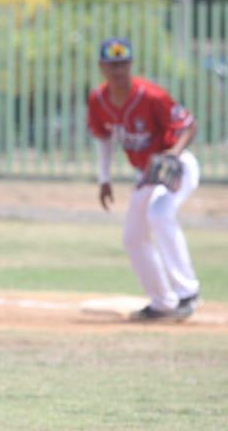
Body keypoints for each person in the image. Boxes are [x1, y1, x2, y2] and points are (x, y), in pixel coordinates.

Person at [86, 37, 202, 321]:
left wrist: (173, 153)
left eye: (123, 63)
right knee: (133, 237)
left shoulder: (152, 96)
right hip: (148, 174)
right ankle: (162, 302)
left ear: (131, 65)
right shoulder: (99, 100)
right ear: (102, 67)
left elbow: (188, 126)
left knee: (160, 213)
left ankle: (187, 293)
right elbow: (103, 137)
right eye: (112, 65)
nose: (118, 71)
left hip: (177, 167)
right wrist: (104, 179)